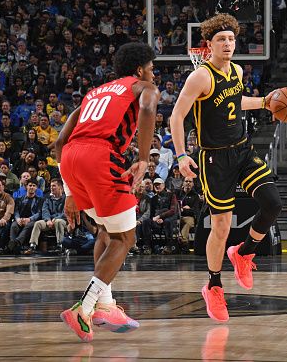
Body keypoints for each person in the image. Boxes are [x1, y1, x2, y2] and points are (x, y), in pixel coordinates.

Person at [170, 14, 282, 323]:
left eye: (231, 39)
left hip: (243, 150)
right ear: (209, 45)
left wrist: (263, 103)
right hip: (214, 159)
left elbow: (234, 101)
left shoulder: (237, 70)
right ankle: (214, 285)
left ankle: (244, 252)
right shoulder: (200, 77)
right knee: (220, 227)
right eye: (222, 39)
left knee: (273, 203)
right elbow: (177, 117)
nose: (228, 44)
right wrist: (181, 156)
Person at [57, 42, 160, 342]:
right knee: (125, 238)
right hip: (99, 157)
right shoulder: (142, 87)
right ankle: (84, 307)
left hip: (71, 159)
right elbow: (149, 107)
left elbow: (60, 140)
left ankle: (106, 305)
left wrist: (69, 192)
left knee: (105, 230)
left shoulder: (93, 93)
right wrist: (142, 159)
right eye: (152, 69)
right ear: (140, 70)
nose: (153, 75)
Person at [24, 178, 66, 255]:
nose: (51, 188)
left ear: (60, 187)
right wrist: (48, 220)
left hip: (63, 221)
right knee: (38, 223)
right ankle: (32, 245)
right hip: (50, 221)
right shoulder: (48, 199)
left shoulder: (66, 199)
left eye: (54, 186)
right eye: (51, 186)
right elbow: (45, 211)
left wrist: (55, 219)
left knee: (58, 222)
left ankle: (60, 245)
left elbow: (65, 213)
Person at [4, 179, 43, 254]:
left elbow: (39, 213)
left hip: (32, 220)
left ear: (36, 188)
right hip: (20, 220)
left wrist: (29, 219)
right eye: (30, 185)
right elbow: (16, 211)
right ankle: (14, 245)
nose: (31, 187)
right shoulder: (19, 199)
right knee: (14, 225)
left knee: (30, 225)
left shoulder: (40, 200)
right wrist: (18, 219)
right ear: (26, 187)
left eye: (34, 186)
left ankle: (15, 243)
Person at [176, 176, 201, 253]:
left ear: (193, 184)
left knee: (187, 223)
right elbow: (174, 208)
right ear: (183, 183)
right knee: (173, 222)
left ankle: (184, 243)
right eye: (186, 181)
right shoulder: (177, 193)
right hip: (177, 216)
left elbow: (195, 211)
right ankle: (172, 245)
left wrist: (185, 210)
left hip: (190, 218)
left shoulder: (195, 196)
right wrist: (182, 209)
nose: (188, 183)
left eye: (190, 182)